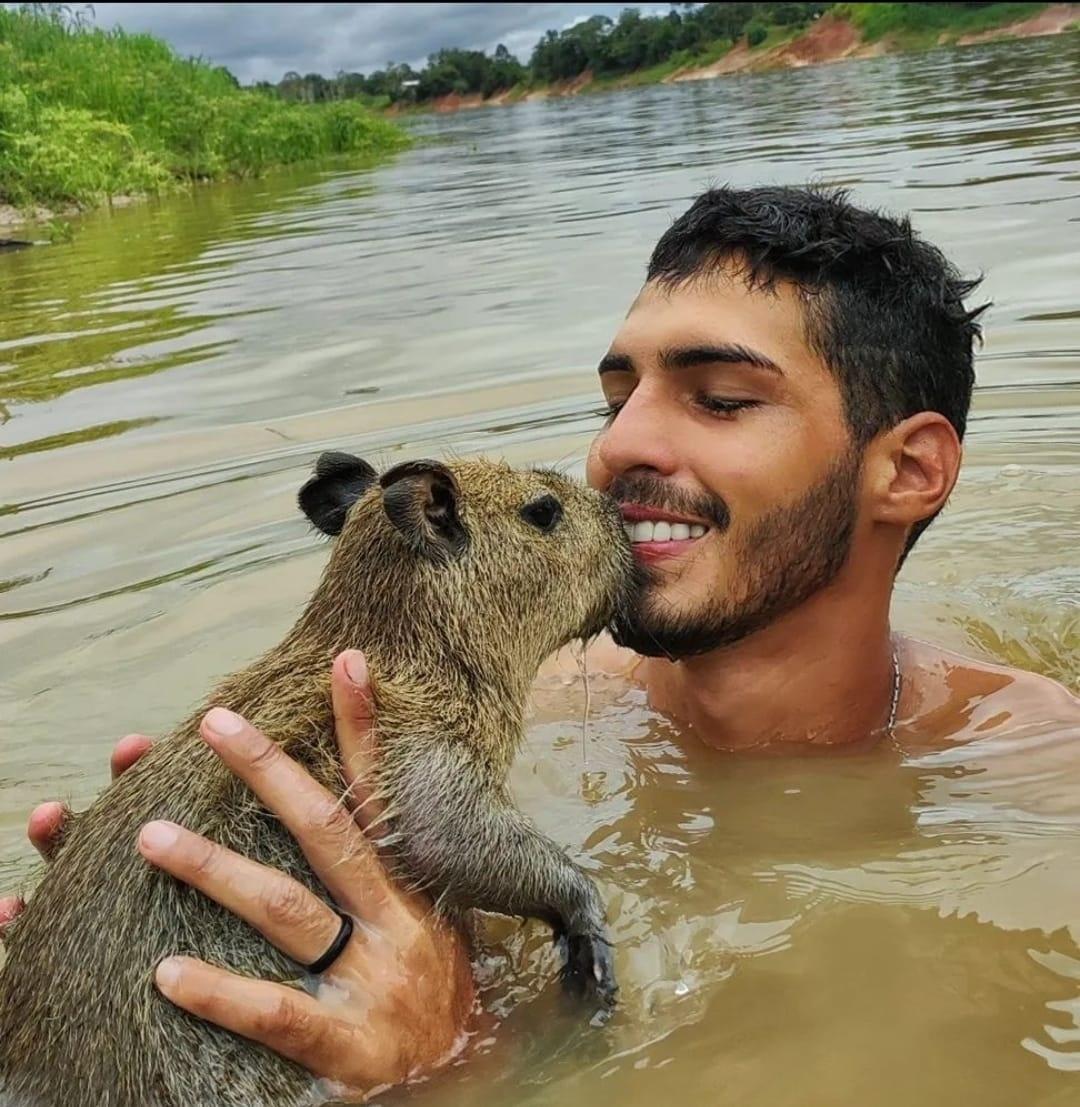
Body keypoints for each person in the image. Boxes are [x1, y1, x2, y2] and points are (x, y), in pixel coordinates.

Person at [2, 186, 1077, 1097]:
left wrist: (461, 1061)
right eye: (616, 397)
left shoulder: (1040, 775)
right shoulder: (542, 698)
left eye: (720, 398)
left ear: (911, 471)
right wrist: (98, 966)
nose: (619, 447)